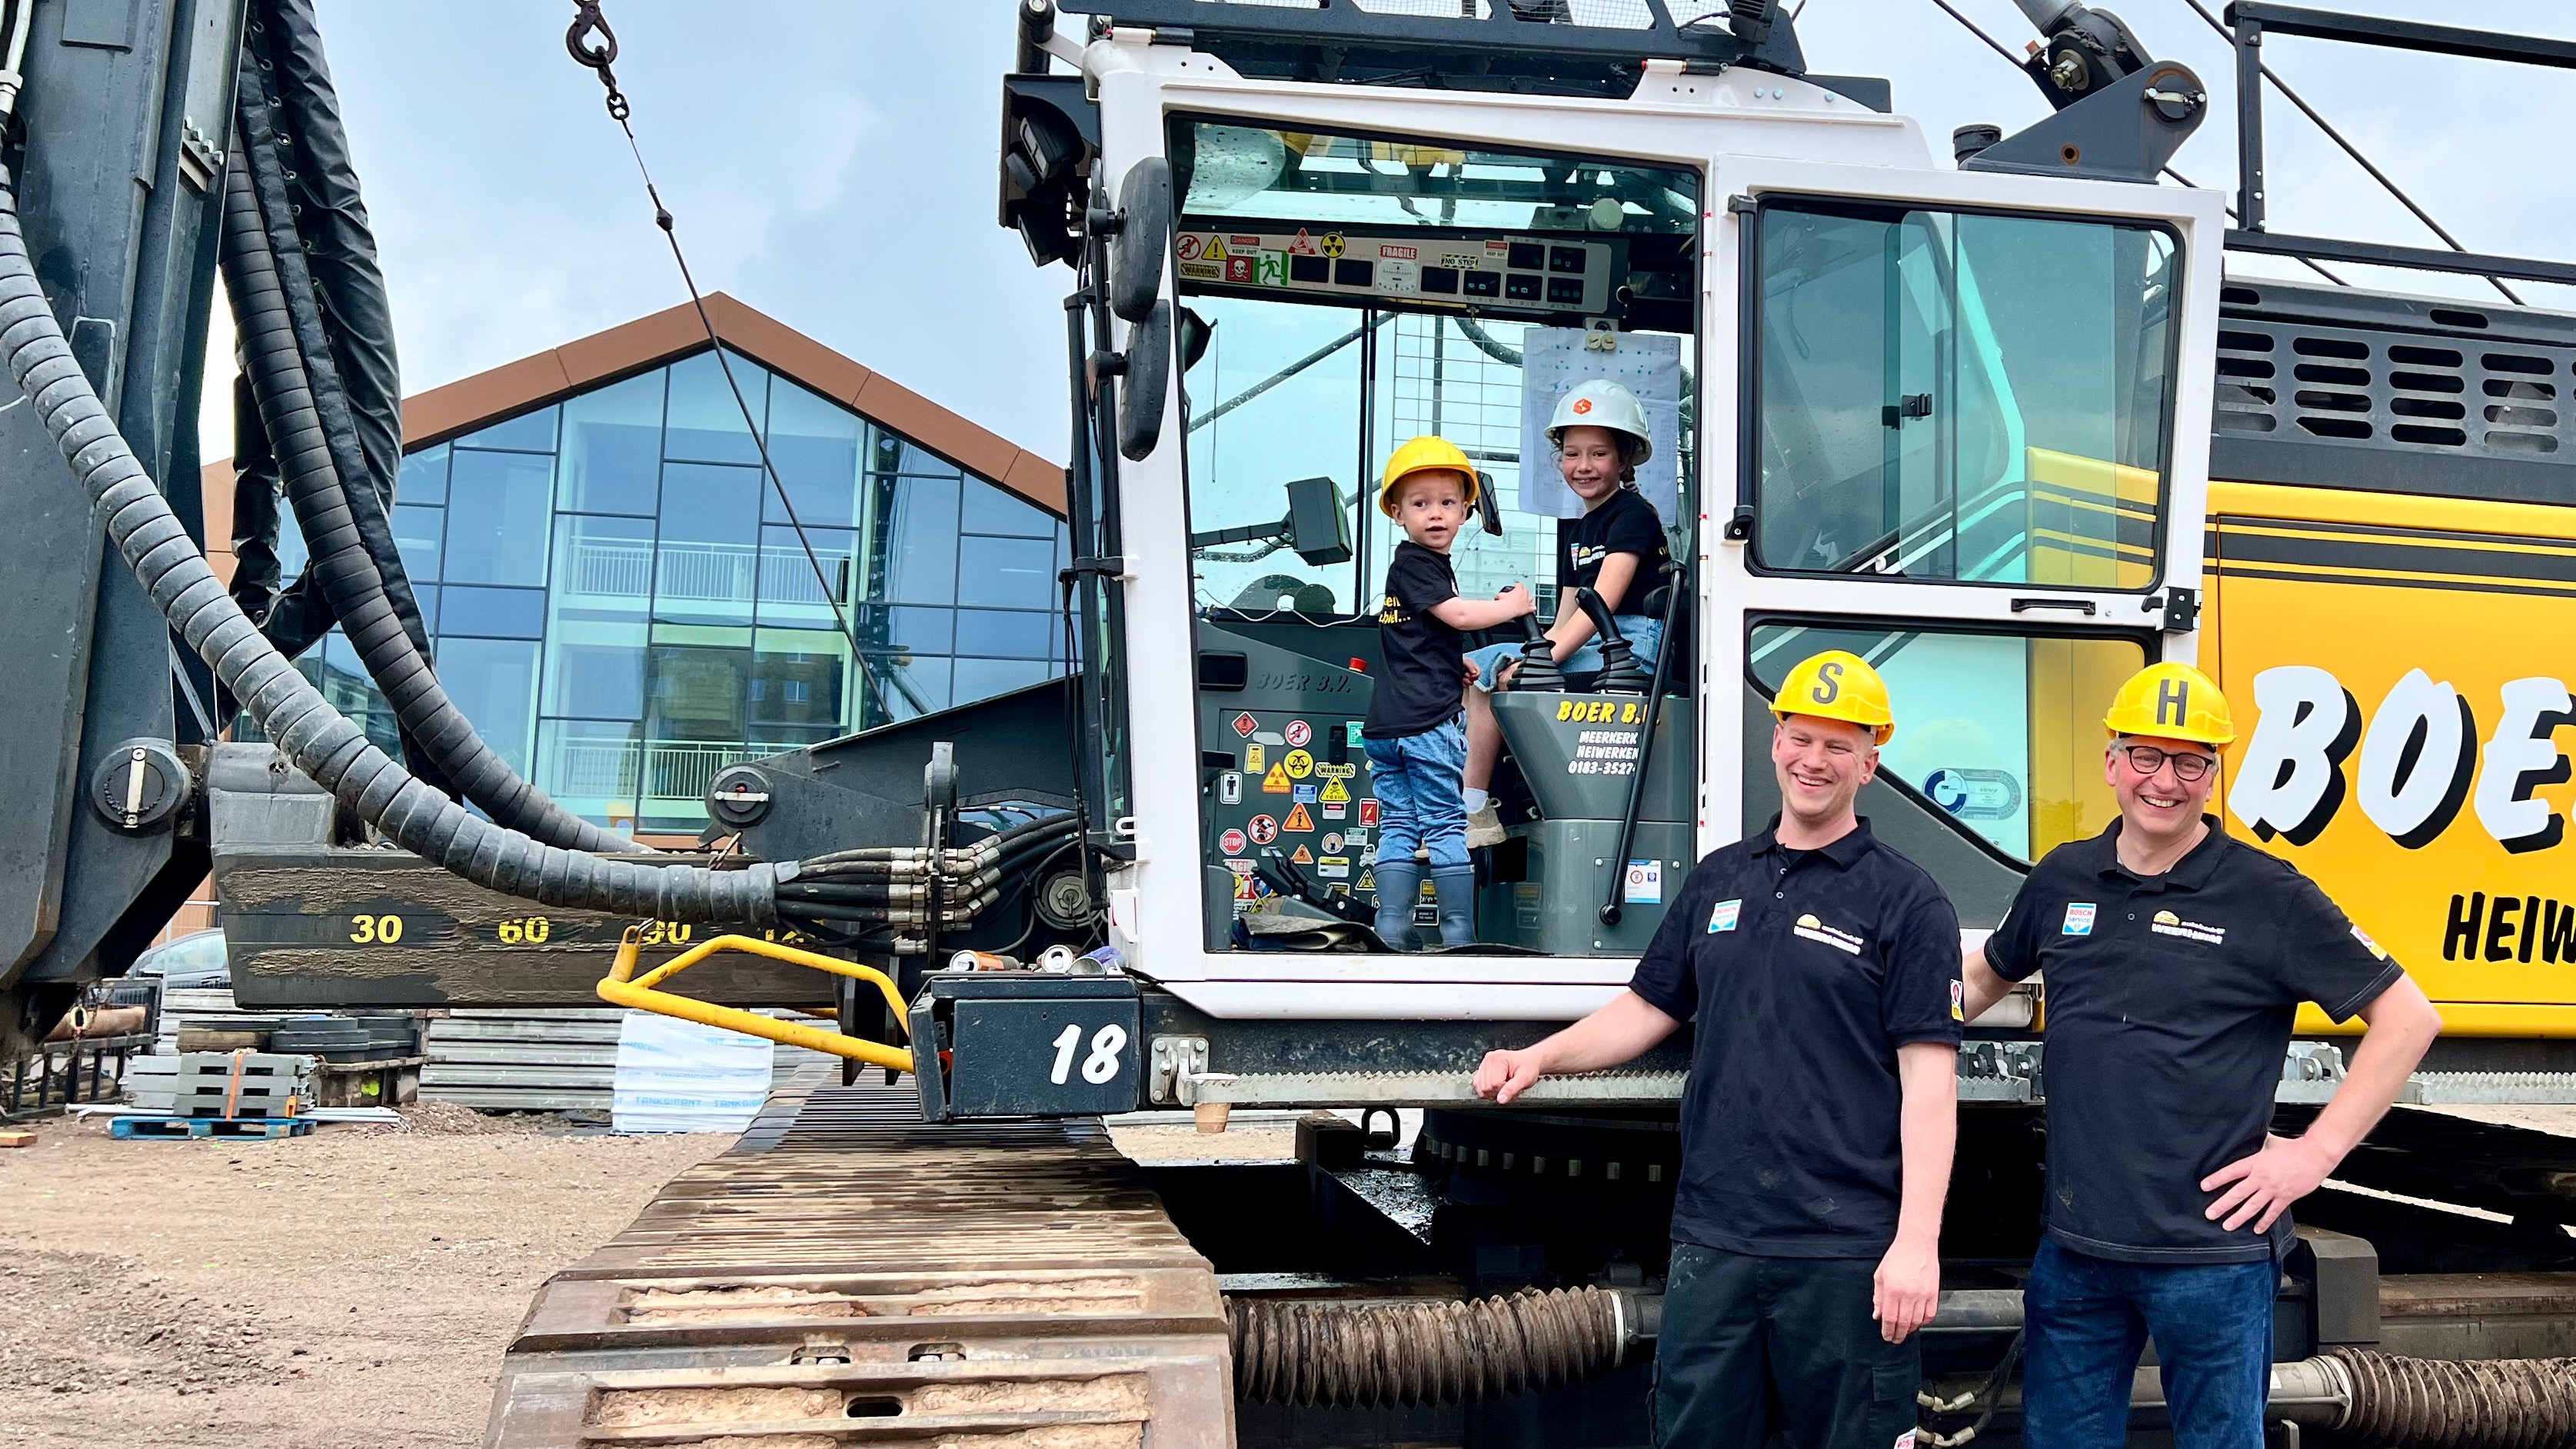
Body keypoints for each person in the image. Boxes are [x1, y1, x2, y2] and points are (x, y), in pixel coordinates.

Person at [1475, 650, 1962, 1447]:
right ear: (1774, 742)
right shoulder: (1718, 880)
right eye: (1801, 739)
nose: (1814, 761)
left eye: (1838, 746)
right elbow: (1645, 1007)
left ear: (1870, 762)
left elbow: (1929, 1089)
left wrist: (1915, 1245)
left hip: (1841, 1250)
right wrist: (1540, 1057)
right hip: (1716, 1237)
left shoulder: (1906, 901)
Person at [1959, 662, 2443, 1448]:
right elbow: (1984, 976)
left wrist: (2313, 1155)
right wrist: (1885, 1033)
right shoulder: (2063, 878)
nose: (2165, 780)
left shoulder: (2268, 895)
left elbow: (2406, 1019)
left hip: (2210, 1257)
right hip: (2076, 1253)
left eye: (2190, 762)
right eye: (2146, 756)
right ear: (2111, 762)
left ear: (2213, 776)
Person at [1462, 378, 1670, 843]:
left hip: (1627, 649)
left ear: (1625, 458)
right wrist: (1536, 649)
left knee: (1505, 677)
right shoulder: (1577, 530)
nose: (1583, 466)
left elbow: (1604, 603)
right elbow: (1563, 619)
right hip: (1585, 640)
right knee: (1474, 667)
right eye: (1572, 454)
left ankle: (1476, 810)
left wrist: (1540, 661)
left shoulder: (1634, 516)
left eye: (1598, 453)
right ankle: (1473, 806)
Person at [1364, 436, 1536, 949]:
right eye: (1420, 504)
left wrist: (1452, 661)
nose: (1434, 515)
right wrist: (1513, 606)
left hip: (1387, 727)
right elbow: (1459, 616)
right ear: (1397, 513)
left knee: (1398, 824)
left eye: (1446, 503)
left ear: (1466, 509)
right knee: (1443, 825)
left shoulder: (1412, 568)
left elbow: (1416, 636)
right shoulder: (1419, 563)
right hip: (1426, 726)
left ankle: (1392, 925)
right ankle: (1459, 931)